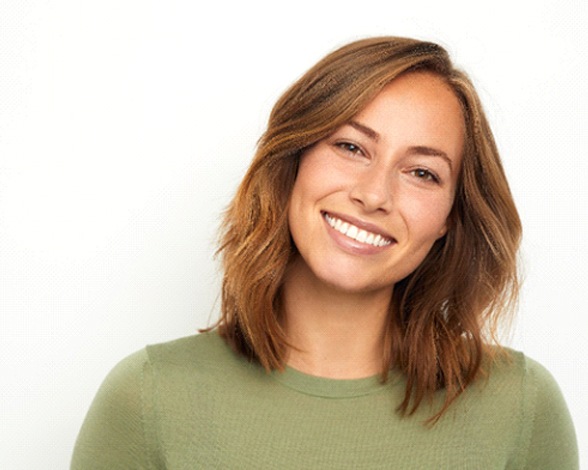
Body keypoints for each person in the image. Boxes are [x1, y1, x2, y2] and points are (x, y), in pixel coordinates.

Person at [71, 36, 578, 469]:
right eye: (351, 147)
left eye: (422, 172)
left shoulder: (521, 409)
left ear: (450, 218)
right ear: (292, 160)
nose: (374, 195)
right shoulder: (149, 399)